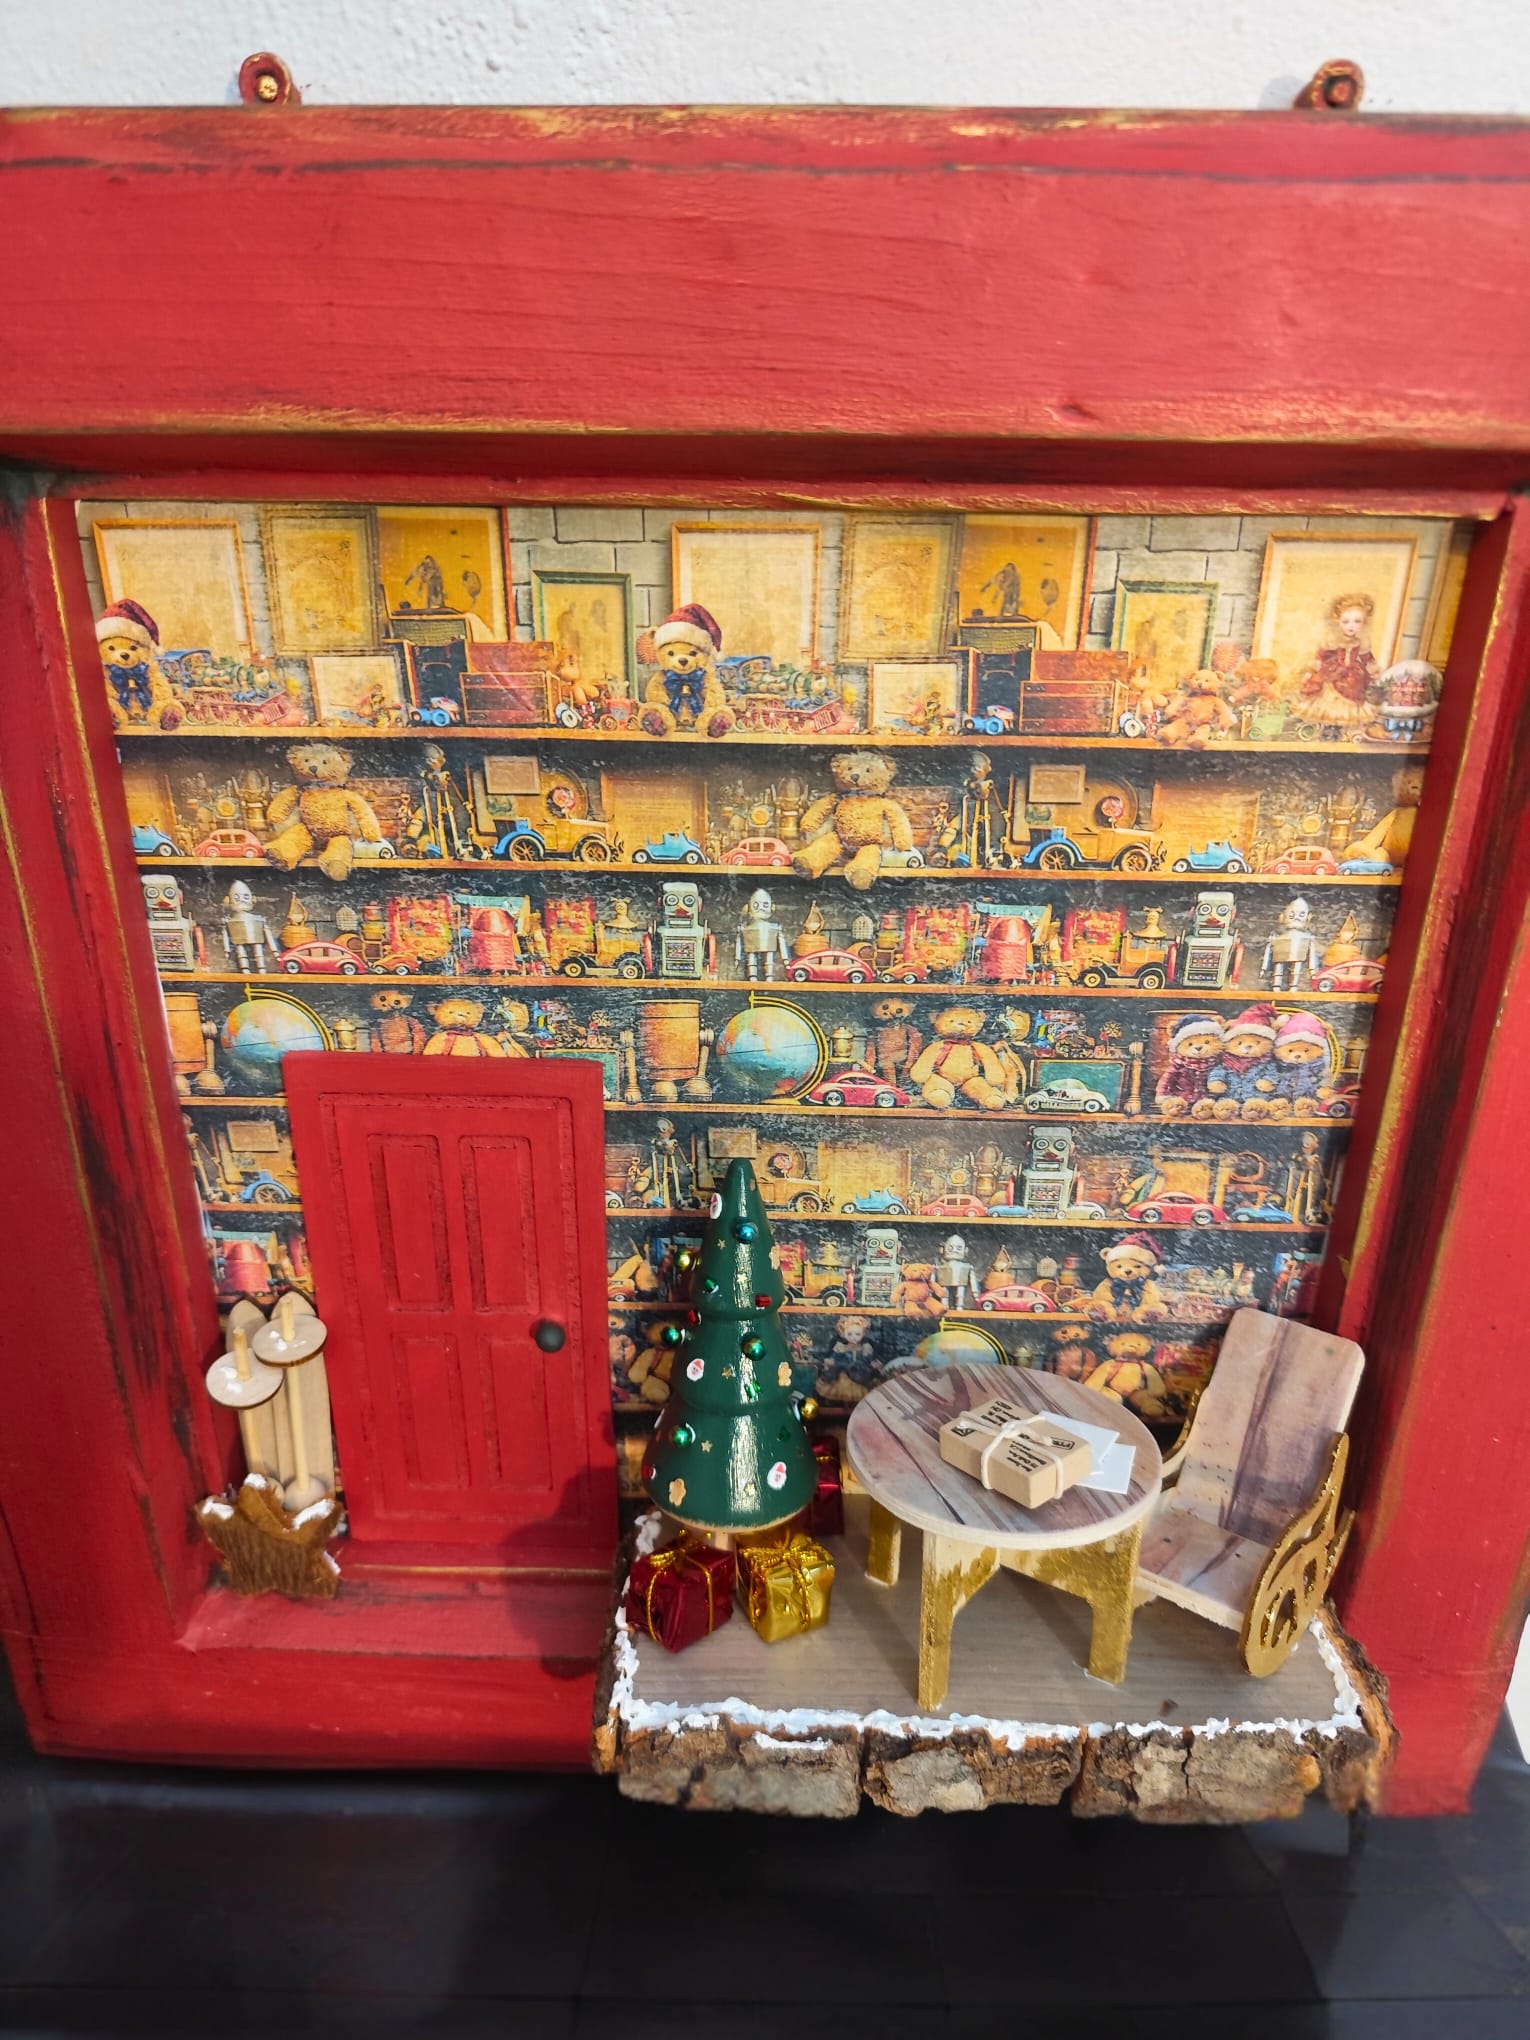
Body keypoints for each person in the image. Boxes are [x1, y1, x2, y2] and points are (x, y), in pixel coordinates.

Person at [1298, 591, 1384, 738]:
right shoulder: (1332, 642)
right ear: (1338, 621)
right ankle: (1328, 731)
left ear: (1364, 623)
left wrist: (1374, 673)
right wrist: (1312, 671)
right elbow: (1320, 657)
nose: (1351, 626)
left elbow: (1368, 660)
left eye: (1357, 621)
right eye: (1346, 622)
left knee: (1351, 708)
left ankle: (1344, 733)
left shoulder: (1362, 644)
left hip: (1354, 681)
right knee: (1330, 704)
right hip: (1332, 677)